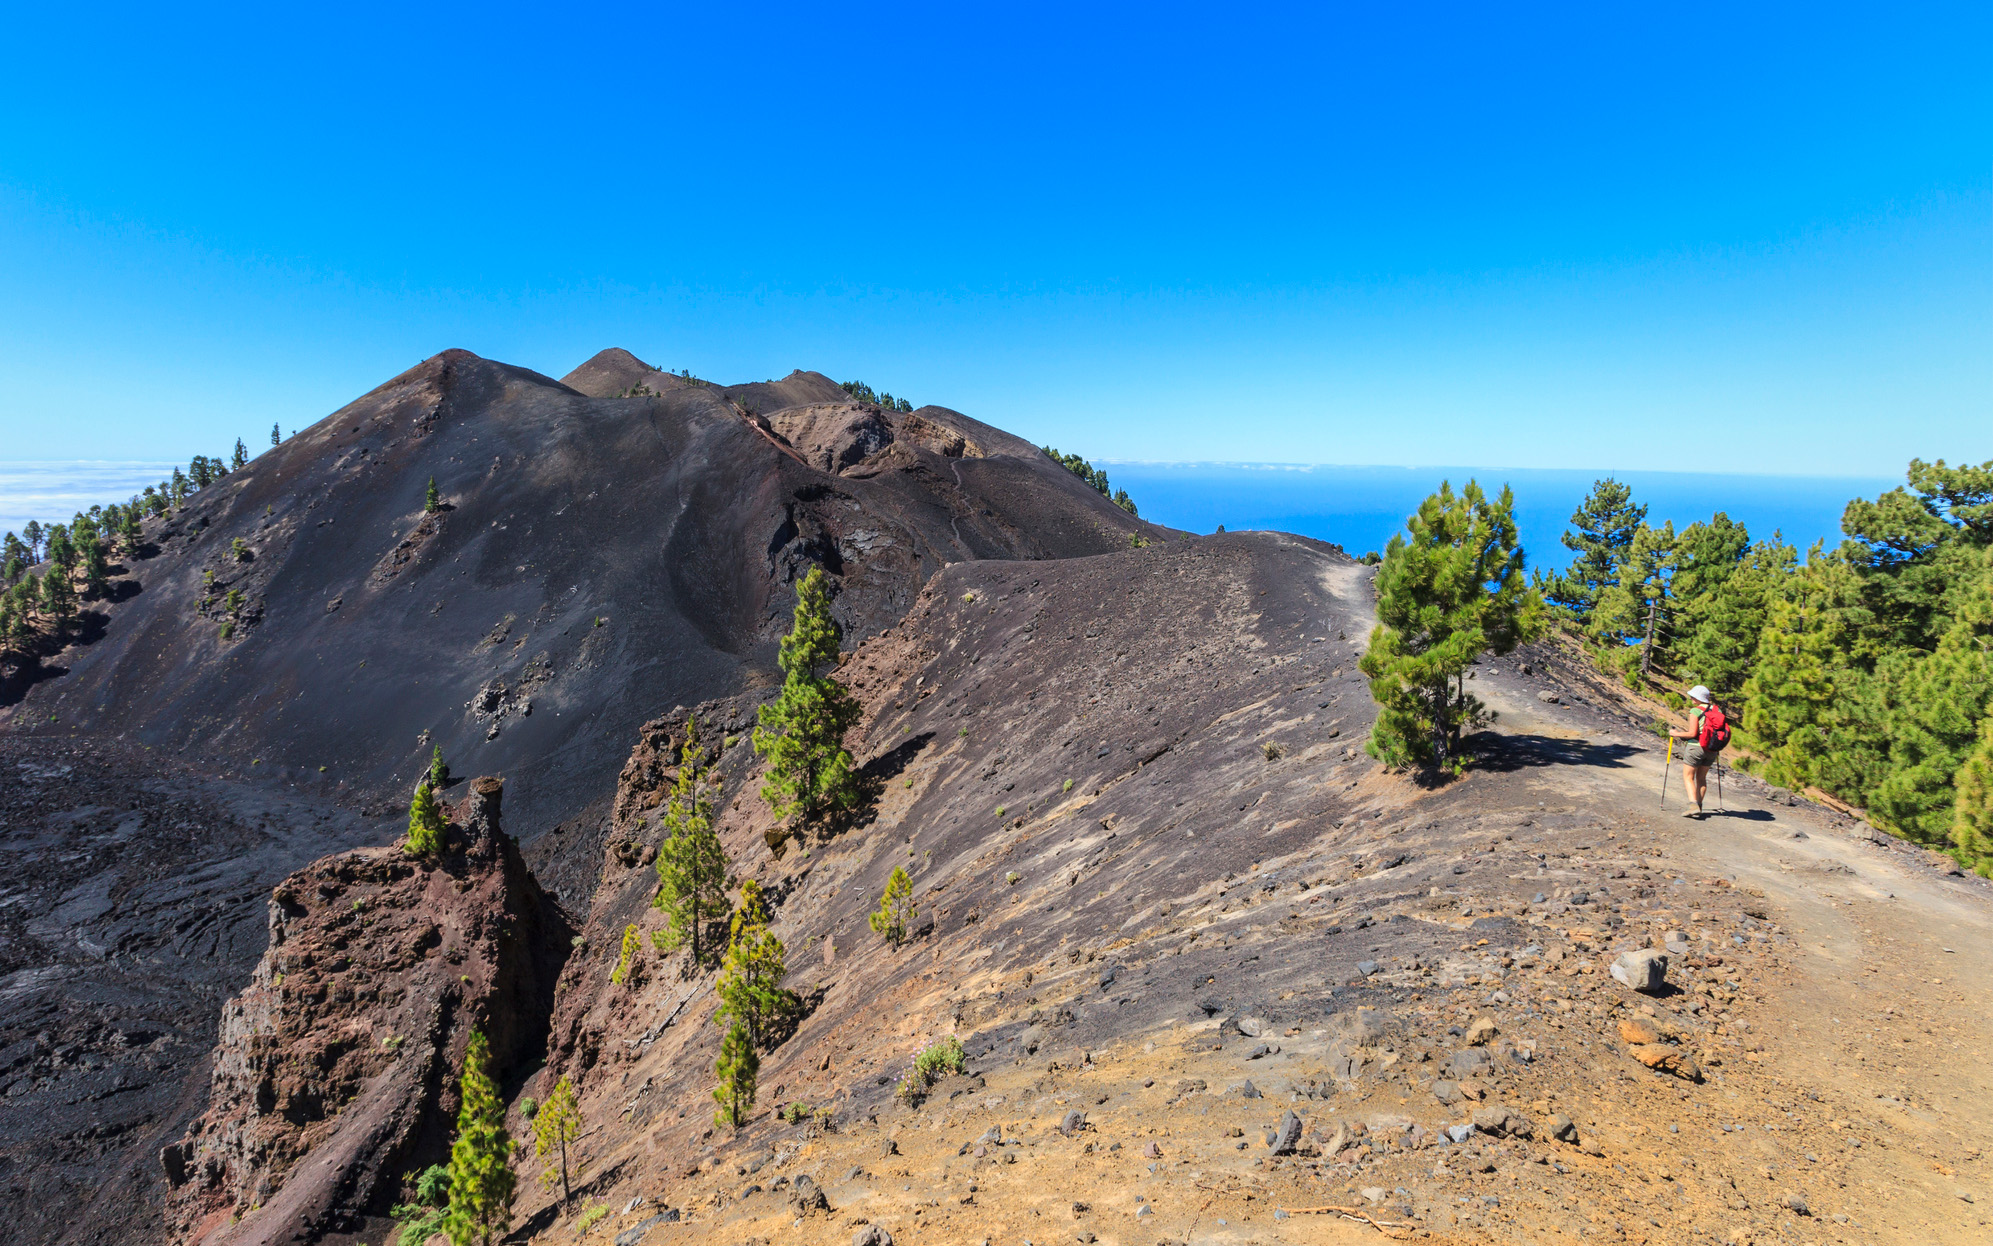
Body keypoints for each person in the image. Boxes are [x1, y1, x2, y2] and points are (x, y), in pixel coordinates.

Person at [1670, 685, 1729, 818]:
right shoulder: (1716, 709)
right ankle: (1699, 806)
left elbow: (1692, 733)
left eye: (1693, 696)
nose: (1691, 698)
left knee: (1688, 777)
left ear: (1698, 698)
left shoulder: (1695, 711)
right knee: (1701, 778)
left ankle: (1693, 805)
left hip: (1696, 747)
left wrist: (1675, 734)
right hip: (1712, 749)